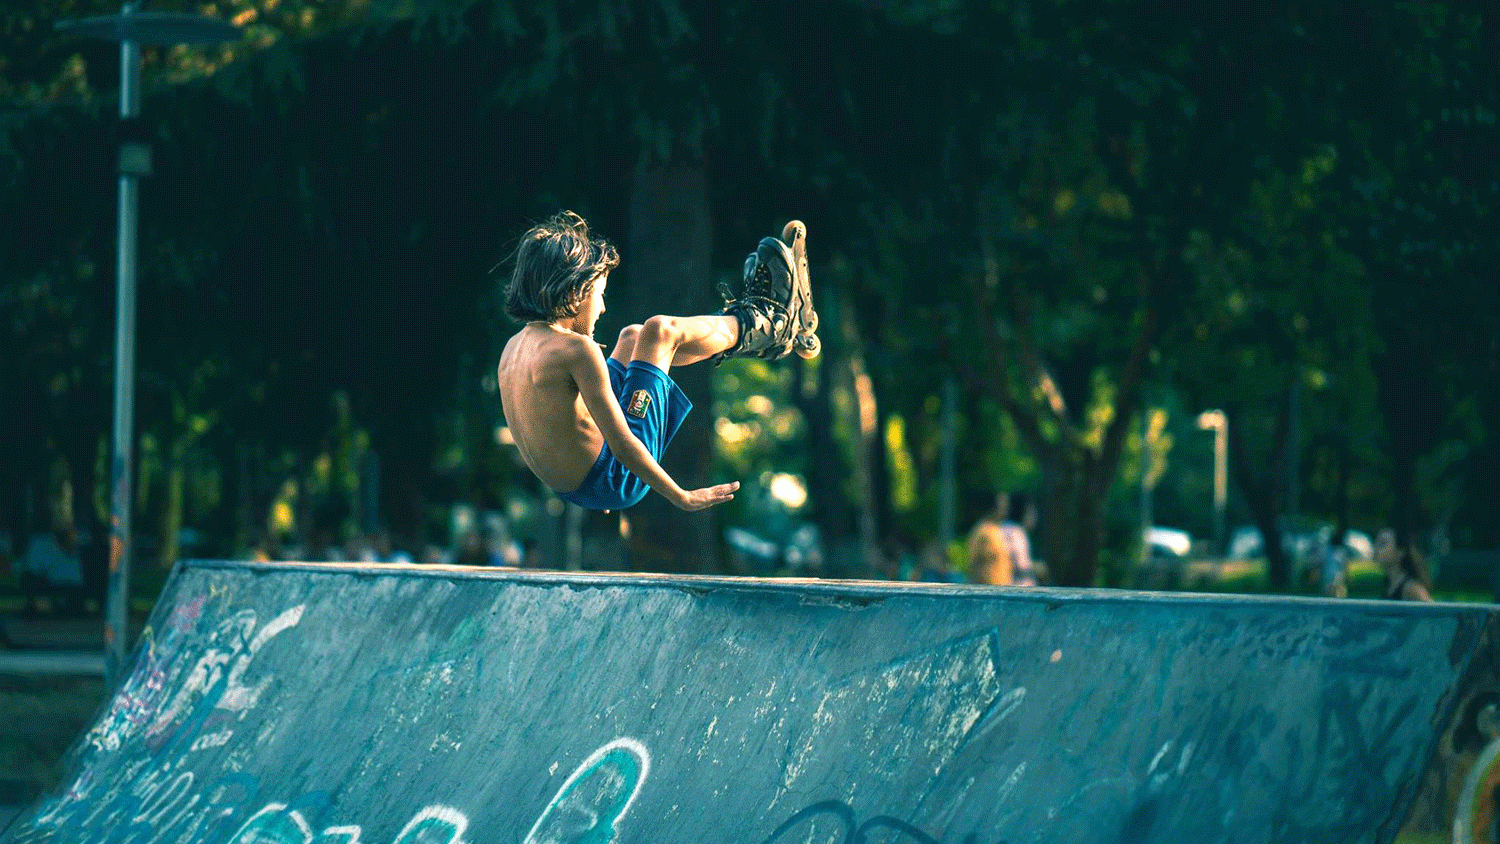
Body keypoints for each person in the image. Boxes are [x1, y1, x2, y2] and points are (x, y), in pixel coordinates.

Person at [497, 211, 818, 513]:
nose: (603, 308)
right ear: (577, 290)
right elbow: (622, 445)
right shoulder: (576, 350)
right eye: (601, 294)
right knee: (659, 332)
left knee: (632, 337)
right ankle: (768, 322)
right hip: (614, 477)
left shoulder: (512, 351)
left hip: (576, 487)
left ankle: (748, 333)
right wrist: (681, 495)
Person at [1374, 527, 1434, 602]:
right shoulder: (1387, 585)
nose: (1376, 548)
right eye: (1376, 543)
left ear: (1400, 552)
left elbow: (1434, 611)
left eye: (1382, 544)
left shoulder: (1412, 589)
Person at [966, 493, 1013, 585]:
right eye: (1002, 505)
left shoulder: (998, 529)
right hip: (987, 590)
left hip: (1003, 589)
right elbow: (974, 563)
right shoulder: (982, 531)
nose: (1005, 509)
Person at [1000, 493, 1039, 587]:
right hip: (1020, 590)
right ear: (1023, 512)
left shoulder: (1004, 527)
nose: (1035, 517)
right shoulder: (1016, 532)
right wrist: (1038, 568)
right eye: (1032, 512)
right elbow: (1020, 566)